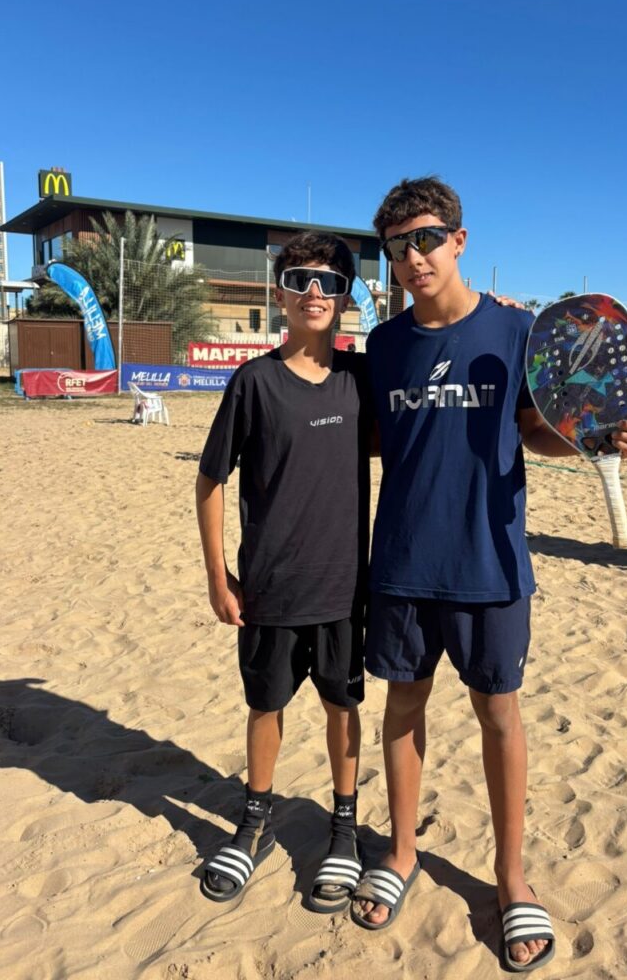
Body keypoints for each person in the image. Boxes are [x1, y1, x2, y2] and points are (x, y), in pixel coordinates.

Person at [351, 177, 627, 972]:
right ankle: (405, 851)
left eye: (425, 238)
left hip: (490, 561)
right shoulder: (384, 345)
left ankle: (512, 876)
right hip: (404, 563)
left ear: (459, 240)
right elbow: (376, 440)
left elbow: (540, 432)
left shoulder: (516, 333)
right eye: (396, 246)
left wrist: (598, 437)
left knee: (499, 718)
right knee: (403, 709)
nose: (412, 257)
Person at [195, 231, 372, 912]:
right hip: (268, 588)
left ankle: (344, 828)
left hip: (342, 591)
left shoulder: (360, 379)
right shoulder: (254, 382)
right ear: (280, 294)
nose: (315, 293)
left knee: (343, 707)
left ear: (347, 296)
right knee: (265, 706)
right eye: (300, 279)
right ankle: (257, 819)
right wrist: (218, 576)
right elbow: (210, 482)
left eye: (329, 282)